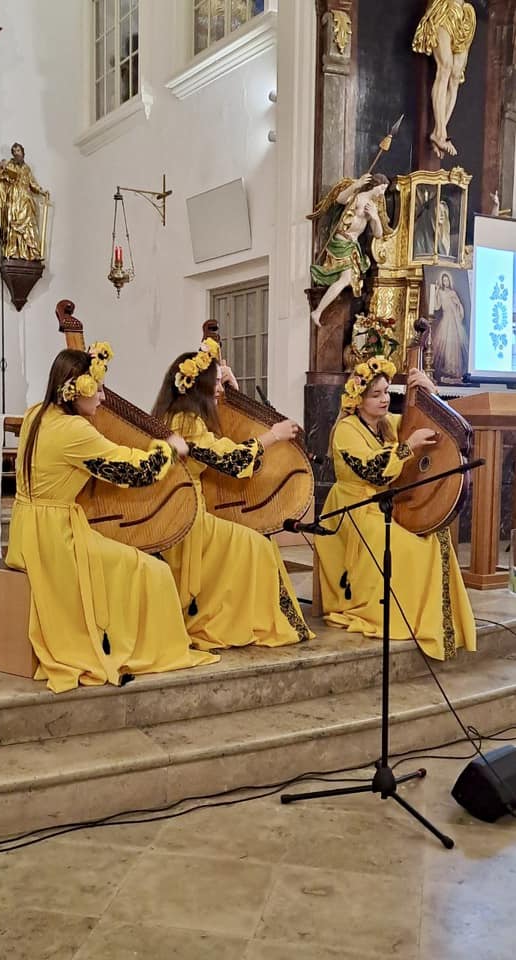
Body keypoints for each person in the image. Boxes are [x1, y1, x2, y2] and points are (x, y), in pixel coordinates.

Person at [6, 343, 218, 693]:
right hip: (53, 540)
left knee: (127, 561)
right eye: (99, 389)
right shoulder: (72, 431)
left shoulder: (36, 414)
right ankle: (147, 647)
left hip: (28, 528)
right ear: (78, 389)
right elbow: (133, 470)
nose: (104, 398)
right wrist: (169, 448)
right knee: (154, 570)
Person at [152, 337, 314, 651]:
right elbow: (229, 458)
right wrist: (273, 435)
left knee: (258, 541)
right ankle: (234, 619)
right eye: (214, 383)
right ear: (197, 385)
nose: (219, 389)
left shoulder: (184, 416)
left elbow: (225, 436)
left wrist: (233, 390)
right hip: (186, 518)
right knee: (256, 544)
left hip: (188, 507)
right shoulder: (186, 422)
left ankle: (241, 615)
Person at [314, 354, 476, 661]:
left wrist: (430, 391)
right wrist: (408, 447)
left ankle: (432, 617)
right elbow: (373, 471)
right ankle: (401, 613)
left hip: (388, 503)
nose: (384, 399)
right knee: (407, 547)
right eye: (375, 395)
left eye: (386, 392)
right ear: (358, 400)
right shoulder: (346, 429)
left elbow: (431, 425)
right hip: (355, 509)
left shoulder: (387, 424)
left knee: (433, 535)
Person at [309, 173, 389, 326]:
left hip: (353, 246)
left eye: (384, 189)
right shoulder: (357, 197)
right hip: (342, 242)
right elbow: (340, 199)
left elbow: (378, 234)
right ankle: (317, 311)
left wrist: (375, 217)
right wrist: (356, 184)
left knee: (350, 282)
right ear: (374, 185)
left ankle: (319, 311)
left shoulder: (373, 206)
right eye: (381, 188)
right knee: (345, 279)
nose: (382, 193)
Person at [412, 0, 477, 158]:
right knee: (445, 67)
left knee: (456, 75)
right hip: (445, 8)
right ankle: (441, 133)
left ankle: (440, 132)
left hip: (464, 14)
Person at [0, 142, 49, 259]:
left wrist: (41, 191)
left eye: (18, 151)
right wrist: (0, 165)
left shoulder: (27, 168)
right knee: (13, 223)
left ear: (23, 152)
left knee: (29, 225)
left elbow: (32, 183)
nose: (16, 153)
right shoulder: (10, 165)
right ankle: (13, 251)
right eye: (14, 152)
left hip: (26, 199)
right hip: (14, 198)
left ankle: (31, 252)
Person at [432, 271, 468, 380]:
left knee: (454, 346)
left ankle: (454, 368)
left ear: (449, 281)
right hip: (446, 319)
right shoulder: (440, 293)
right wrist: (436, 291)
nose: (445, 282)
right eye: (444, 280)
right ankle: (448, 367)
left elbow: (459, 305)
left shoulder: (452, 293)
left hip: (453, 320)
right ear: (442, 282)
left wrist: (459, 311)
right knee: (446, 345)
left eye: (447, 280)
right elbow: (437, 306)